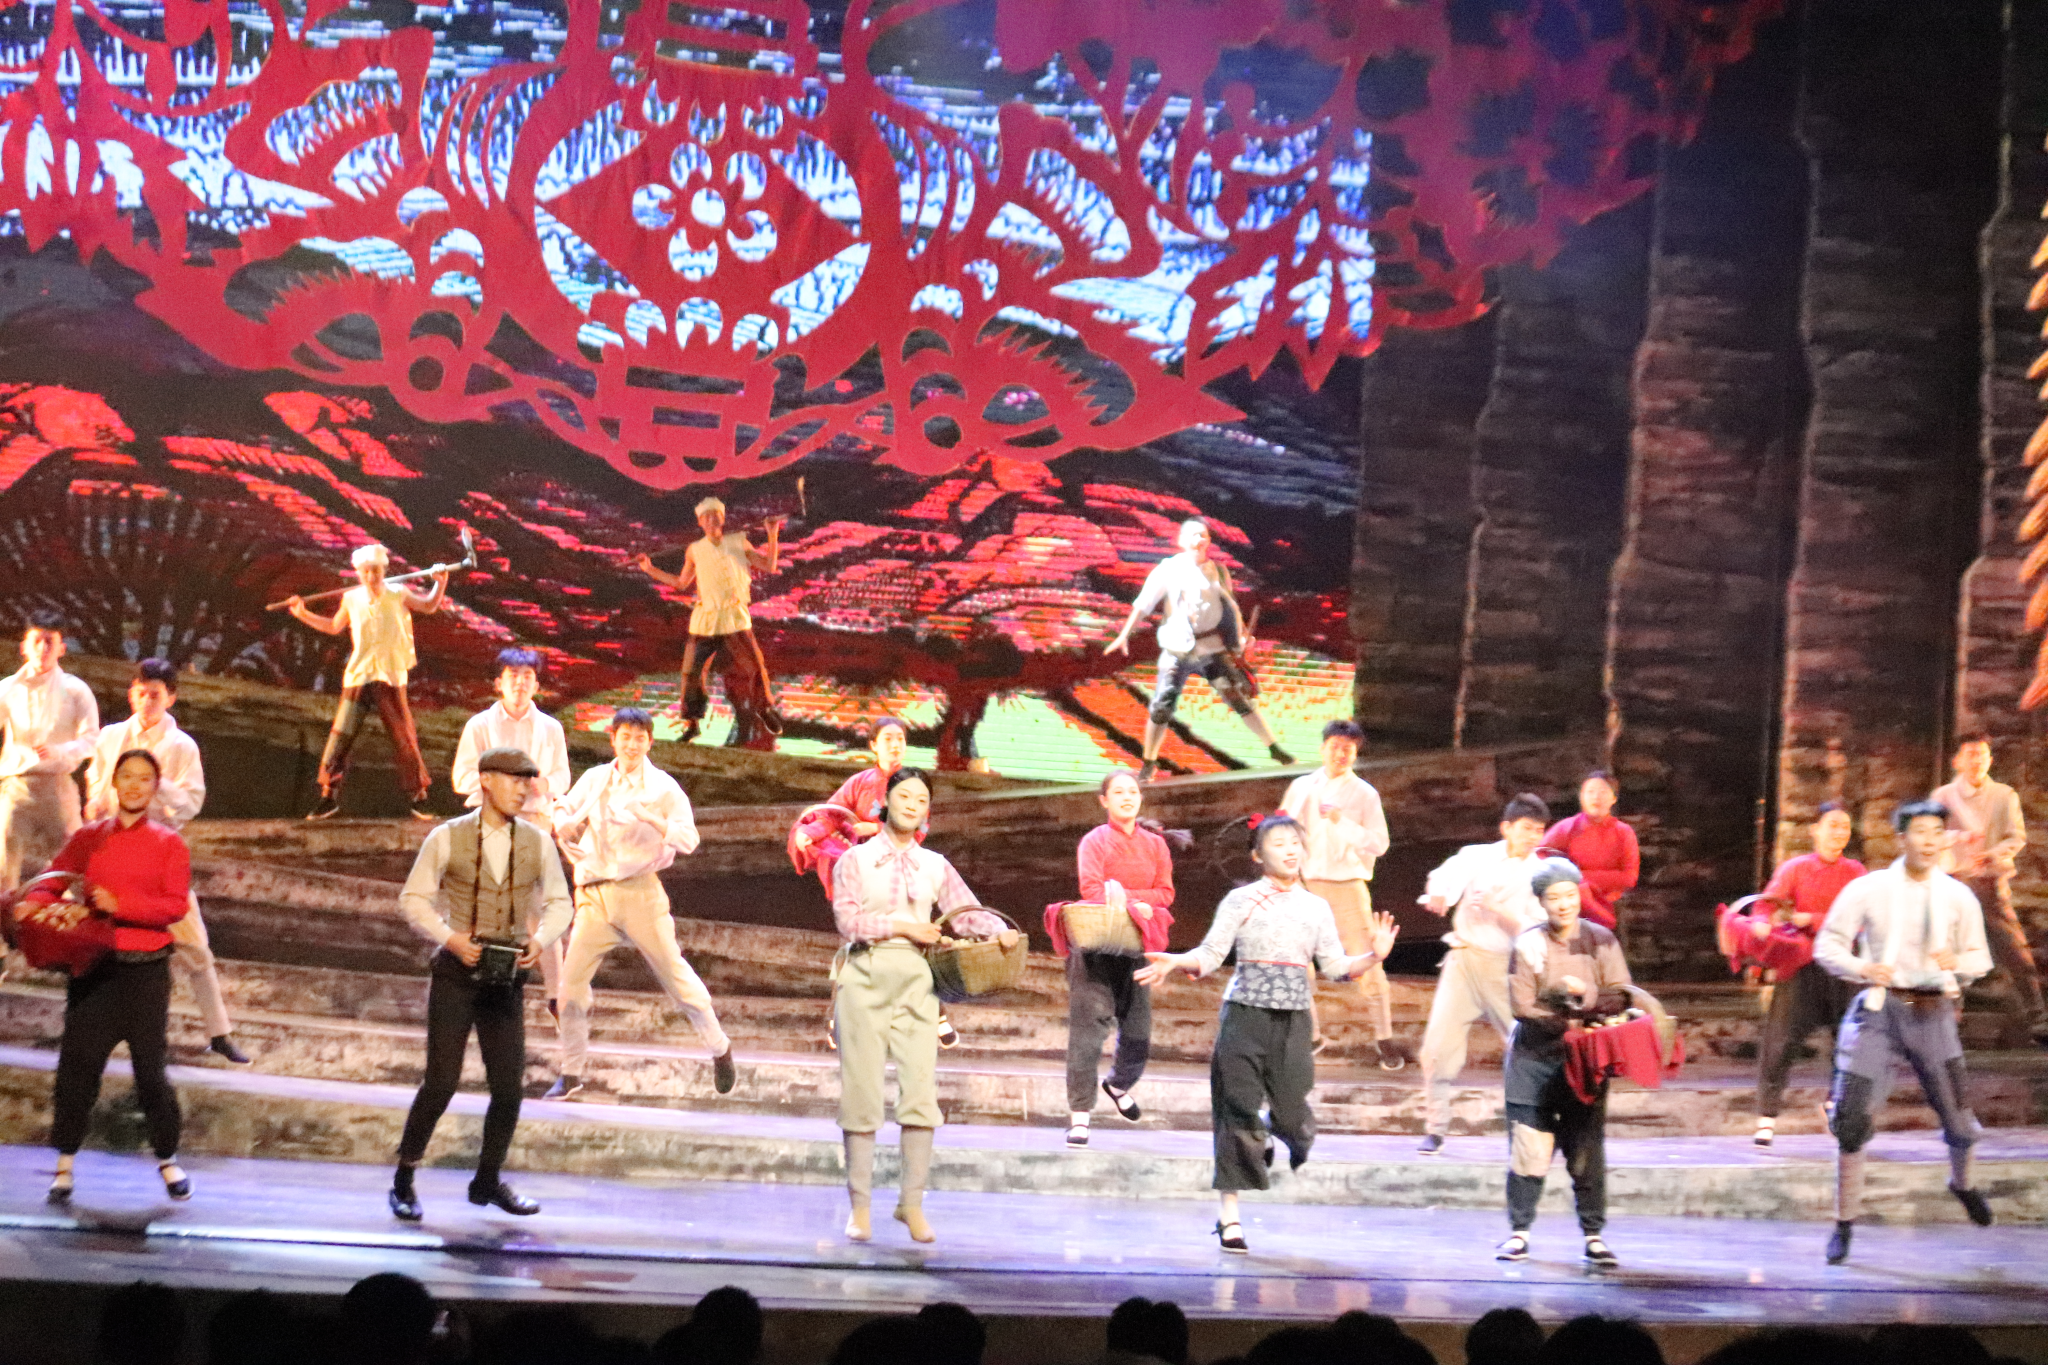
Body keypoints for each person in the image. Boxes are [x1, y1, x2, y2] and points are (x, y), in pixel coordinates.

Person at [1136, 813, 1396, 1254]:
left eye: (1295, 842)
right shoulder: (1241, 900)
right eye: (1279, 843)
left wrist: (1374, 956)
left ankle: (1277, 1133)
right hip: (1244, 1017)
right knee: (1235, 1111)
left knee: (1293, 1116)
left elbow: (1335, 967)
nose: (1291, 850)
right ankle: (1230, 1217)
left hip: (1293, 1024)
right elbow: (1211, 954)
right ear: (1257, 855)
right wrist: (1177, 961)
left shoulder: (1316, 907)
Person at [388, 746, 572, 1221]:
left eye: (528, 781)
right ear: (486, 780)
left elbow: (560, 903)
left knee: (509, 1088)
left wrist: (540, 940)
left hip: (506, 975)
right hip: (457, 973)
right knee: (441, 1082)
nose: (524, 789)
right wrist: (450, 938)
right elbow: (413, 899)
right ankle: (404, 1177)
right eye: (515, 779)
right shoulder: (448, 836)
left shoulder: (536, 842)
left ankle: (487, 1181)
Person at [1814, 799, 1995, 1265]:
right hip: (1880, 1011)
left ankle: (1963, 1184)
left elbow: (1980, 957)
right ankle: (1844, 1222)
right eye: (1920, 832)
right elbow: (1828, 944)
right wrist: (1861, 966)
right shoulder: (1869, 888)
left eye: (1938, 832)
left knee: (1959, 1120)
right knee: (1852, 1119)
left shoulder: (1957, 896)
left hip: (1933, 1013)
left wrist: (1960, 963)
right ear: (1901, 839)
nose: (1930, 841)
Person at [830, 767, 1003, 1244]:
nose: (912, 804)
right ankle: (860, 1208)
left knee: (921, 1096)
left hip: (917, 983)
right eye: (904, 795)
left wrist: (1000, 932)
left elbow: (966, 914)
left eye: (922, 799)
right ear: (885, 800)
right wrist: (906, 927)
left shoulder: (935, 864)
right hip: (864, 977)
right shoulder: (856, 860)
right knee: (861, 1096)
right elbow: (849, 921)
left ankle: (911, 1204)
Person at [30, 749, 195, 1204]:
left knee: (151, 1072)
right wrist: (37, 905)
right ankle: (64, 1165)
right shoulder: (89, 837)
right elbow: (50, 880)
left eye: (144, 778)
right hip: (96, 969)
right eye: (127, 776)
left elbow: (174, 906)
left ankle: (168, 1159)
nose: (135, 785)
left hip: (146, 974)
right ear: (114, 782)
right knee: (77, 1068)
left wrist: (120, 905)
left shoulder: (170, 843)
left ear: (155, 787)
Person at [546, 708, 736, 1100]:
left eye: (639, 738)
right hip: (595, 895)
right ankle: (572, 1070)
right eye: (625, 737)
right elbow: (563, 805)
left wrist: (651, 818)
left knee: (677, 978)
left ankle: (719, 1048)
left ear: (649, 742)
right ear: (613, 738)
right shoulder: (596, 778)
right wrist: (560, 820)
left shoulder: (663, 788)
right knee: (570, 987)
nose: (632, 745)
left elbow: (689, 840)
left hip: (640, 893)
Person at [83, 659, 249, 1066]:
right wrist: (95, 801)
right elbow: (97, 778)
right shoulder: (111, 736)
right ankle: (84, 1026)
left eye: (155, 695)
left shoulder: (181, 746)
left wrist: (159, 785)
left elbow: (191, 802)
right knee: (95, 940)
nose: (147, 701)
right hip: (112, 847)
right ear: (131, 693)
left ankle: (219, 1032)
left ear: (170, 698)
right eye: (141, 693)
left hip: (158, 854)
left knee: (194, 944)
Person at [1497, 858, 1633, 1268]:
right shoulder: (1528, 945)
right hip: (1533, 1062)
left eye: (1570, 895)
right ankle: (1519, 1233)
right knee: (1529, 1150)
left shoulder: (1600, 939)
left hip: (1584, 1062)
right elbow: (1522, 1006)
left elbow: (1621, 994)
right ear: (1541, 902)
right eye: (1554, 897)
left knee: (1585, 1152)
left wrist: (1584, 1001)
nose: (1563, 904)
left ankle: (1594, 1236)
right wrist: (1564, 1004)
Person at [1104, 517, 1293, 781]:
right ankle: (1149, 760)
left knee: (1238, 697)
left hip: (1211, 649)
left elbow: (1229, 607)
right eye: (1193, 535)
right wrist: (1124, 634)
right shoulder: (1168, 570)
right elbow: (1143, 603)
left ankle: (1274, 748)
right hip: (1176, 651)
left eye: (1203, 535)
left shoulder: (1218, 571)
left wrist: (1240, 638)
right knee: (1162, 706)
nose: (1199, 539)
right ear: (1181, 541)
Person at [1414, 793, 1551, 1154]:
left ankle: (1531, 1127)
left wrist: (1496, 909)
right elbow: (1444, 877)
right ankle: (1436, 1127)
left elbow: (1534, 931)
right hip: (1464, 961)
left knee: (1524, 1047)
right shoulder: (1477, 856)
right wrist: (1438, 894)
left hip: (1507, 968)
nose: (1533, 837)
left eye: (1539, 831)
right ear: (1506, 828)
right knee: (1437, 1047)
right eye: (1526, 828)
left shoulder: (1539, 874)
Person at [1052, 768, 1180, 1147]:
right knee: (1087, 1038)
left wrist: (1129, 899)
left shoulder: (1155, 845)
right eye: (1119, 792)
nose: (1127, 797)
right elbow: (1091, 890)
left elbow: (1166, 893)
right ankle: (1080, 1117)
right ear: (1104, 800)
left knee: (1139, 1033)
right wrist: (1133, 901)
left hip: (1137, 946)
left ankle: (1119, 1084)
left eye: (1133, 792)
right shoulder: (1094, 841)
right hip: (1096, 949)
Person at [284, 543, 447, 820]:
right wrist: (302, 614)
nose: (371, 576)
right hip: (360, 674)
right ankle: (328, 796)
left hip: (391, 675)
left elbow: (429, 606)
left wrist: (439, 584)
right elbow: (334, 626)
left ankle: (419, 796)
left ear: (384, 570)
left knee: (403, 736)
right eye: (366, 571)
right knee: (341, 735)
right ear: (358, 573)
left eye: (376, 570)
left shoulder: (398, 594)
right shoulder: (351, 599)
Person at [452, 647, 574, 1017]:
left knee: (539, 910)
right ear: (499, 683)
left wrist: (543, 784)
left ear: (536, 684)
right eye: (512, 676)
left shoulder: (550, 728)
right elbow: (461, 777)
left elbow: (563, 777)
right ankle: (483, 990)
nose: (520, 683)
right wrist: (498, 783)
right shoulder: (480, 725)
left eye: (527, 677)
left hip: (534, 824)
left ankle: (556, 995)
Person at [1280, 719, 1400, 1071]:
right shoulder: (1302, 786)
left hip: (1347, 887)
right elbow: (1282, 829)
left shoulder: (1364, 794)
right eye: (1335, 746)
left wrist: (1340, 821)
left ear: (1355, 753)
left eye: (1348, 748)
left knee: (1368, 961)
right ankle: (1311, 1035)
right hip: (1305, 884)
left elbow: (1380, 843)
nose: (1341, 753)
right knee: (1298, 962)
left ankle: (1384, 1037)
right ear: (1323, 748)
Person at [1745, 802, 1865, 1147]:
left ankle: (1836, 1102)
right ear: (1815, 830)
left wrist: (1811, 919)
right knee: (1780, 1040)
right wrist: (1761, 923)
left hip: (1842, 965)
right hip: (1800, 964)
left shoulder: (1855, 872)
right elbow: (1767, 904)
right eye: (1832, 825)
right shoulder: (1795, 868)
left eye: (1844, 826)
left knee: (1848, 1041)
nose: (1839, 832)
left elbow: (1859, 920)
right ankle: (1766, 1116)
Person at [636, 497, 783, 750]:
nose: (711, 520)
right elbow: (681, 582)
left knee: (755, 666)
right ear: (700, 522)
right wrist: (650, 569)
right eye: (706, 517)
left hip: (734, 617)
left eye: (715, 515)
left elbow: (769, 565)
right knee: (692, 673)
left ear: (722, 519)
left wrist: (772, 534)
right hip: (705, 620)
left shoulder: (738, 541)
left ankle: (765, 708)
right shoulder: (695, 549)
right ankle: (692, 722)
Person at [1930, 734, 2044, 1044]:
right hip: (1953, 881)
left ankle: (2037, 1013)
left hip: (1989, 882)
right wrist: (1957, 838)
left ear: (1990, 760)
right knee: (1948, 947)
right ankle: (1946, 1015)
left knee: (2011, 946)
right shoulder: (1944, 796)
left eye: (1982, 754)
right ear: (1957, 760)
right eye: (1970, 754)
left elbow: (2015, 837)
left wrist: (1992, 855)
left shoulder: (2004, 796)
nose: (1977, 760)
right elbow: (1932, 834)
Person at [0, 610, 99, 894]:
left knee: (73, 863)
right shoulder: (7, 689)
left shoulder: (76, 690)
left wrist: (60, 751)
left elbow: (91, 739)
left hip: (58, 785)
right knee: (3, 862)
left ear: (61, 648)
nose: (43, 648)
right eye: (37, 641)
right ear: (24, 646)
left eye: (50, 641)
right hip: (18, 784)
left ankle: (74, 917)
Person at [1539, 771, 1639, 932]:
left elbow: (1629, 877)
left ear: (1614, 798)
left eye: (1603, 792)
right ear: (1581, 796)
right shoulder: (1567, 827)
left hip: (1609, 900)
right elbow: (1540, 855)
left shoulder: (1623, 832)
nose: (1596, 797)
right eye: (1590, 792)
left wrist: (1582, 878)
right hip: (1570, 900)